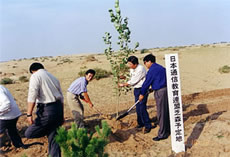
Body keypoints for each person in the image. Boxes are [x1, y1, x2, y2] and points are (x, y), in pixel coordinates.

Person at [25, 62, 64, 157]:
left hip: (47, 110)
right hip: (58, 109)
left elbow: (32, 95)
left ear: (32, 71)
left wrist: (29, 114)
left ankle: (48, 129)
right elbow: (61, 98)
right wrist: (61, 115)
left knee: (29, 133)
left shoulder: (35, 76)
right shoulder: (53, 77)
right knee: (54, 138)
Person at [139, 54, 170, 141]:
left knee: (161, 112)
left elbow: (146, 83)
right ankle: (167, 130)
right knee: (165, 111)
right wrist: (153, 88)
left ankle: (162, 134)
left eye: (145, 62)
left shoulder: (152, 70)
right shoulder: (161, 68)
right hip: (166, 90)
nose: (145, 65)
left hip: (160, 92)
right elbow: (160, 79)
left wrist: (142, 94)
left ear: (149, 61)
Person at [118, 56, 152, 134]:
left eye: (130, 64)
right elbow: (131, 77)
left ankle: (147, 125)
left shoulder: (141, 69)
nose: (129, 66)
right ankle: (140, 123)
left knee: (142, 107)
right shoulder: (132, 69)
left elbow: (134, 81)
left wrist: (123, 84)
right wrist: (124, 77)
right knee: (138, 108)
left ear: (135, 64)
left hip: (142, 89)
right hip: (136, 90)